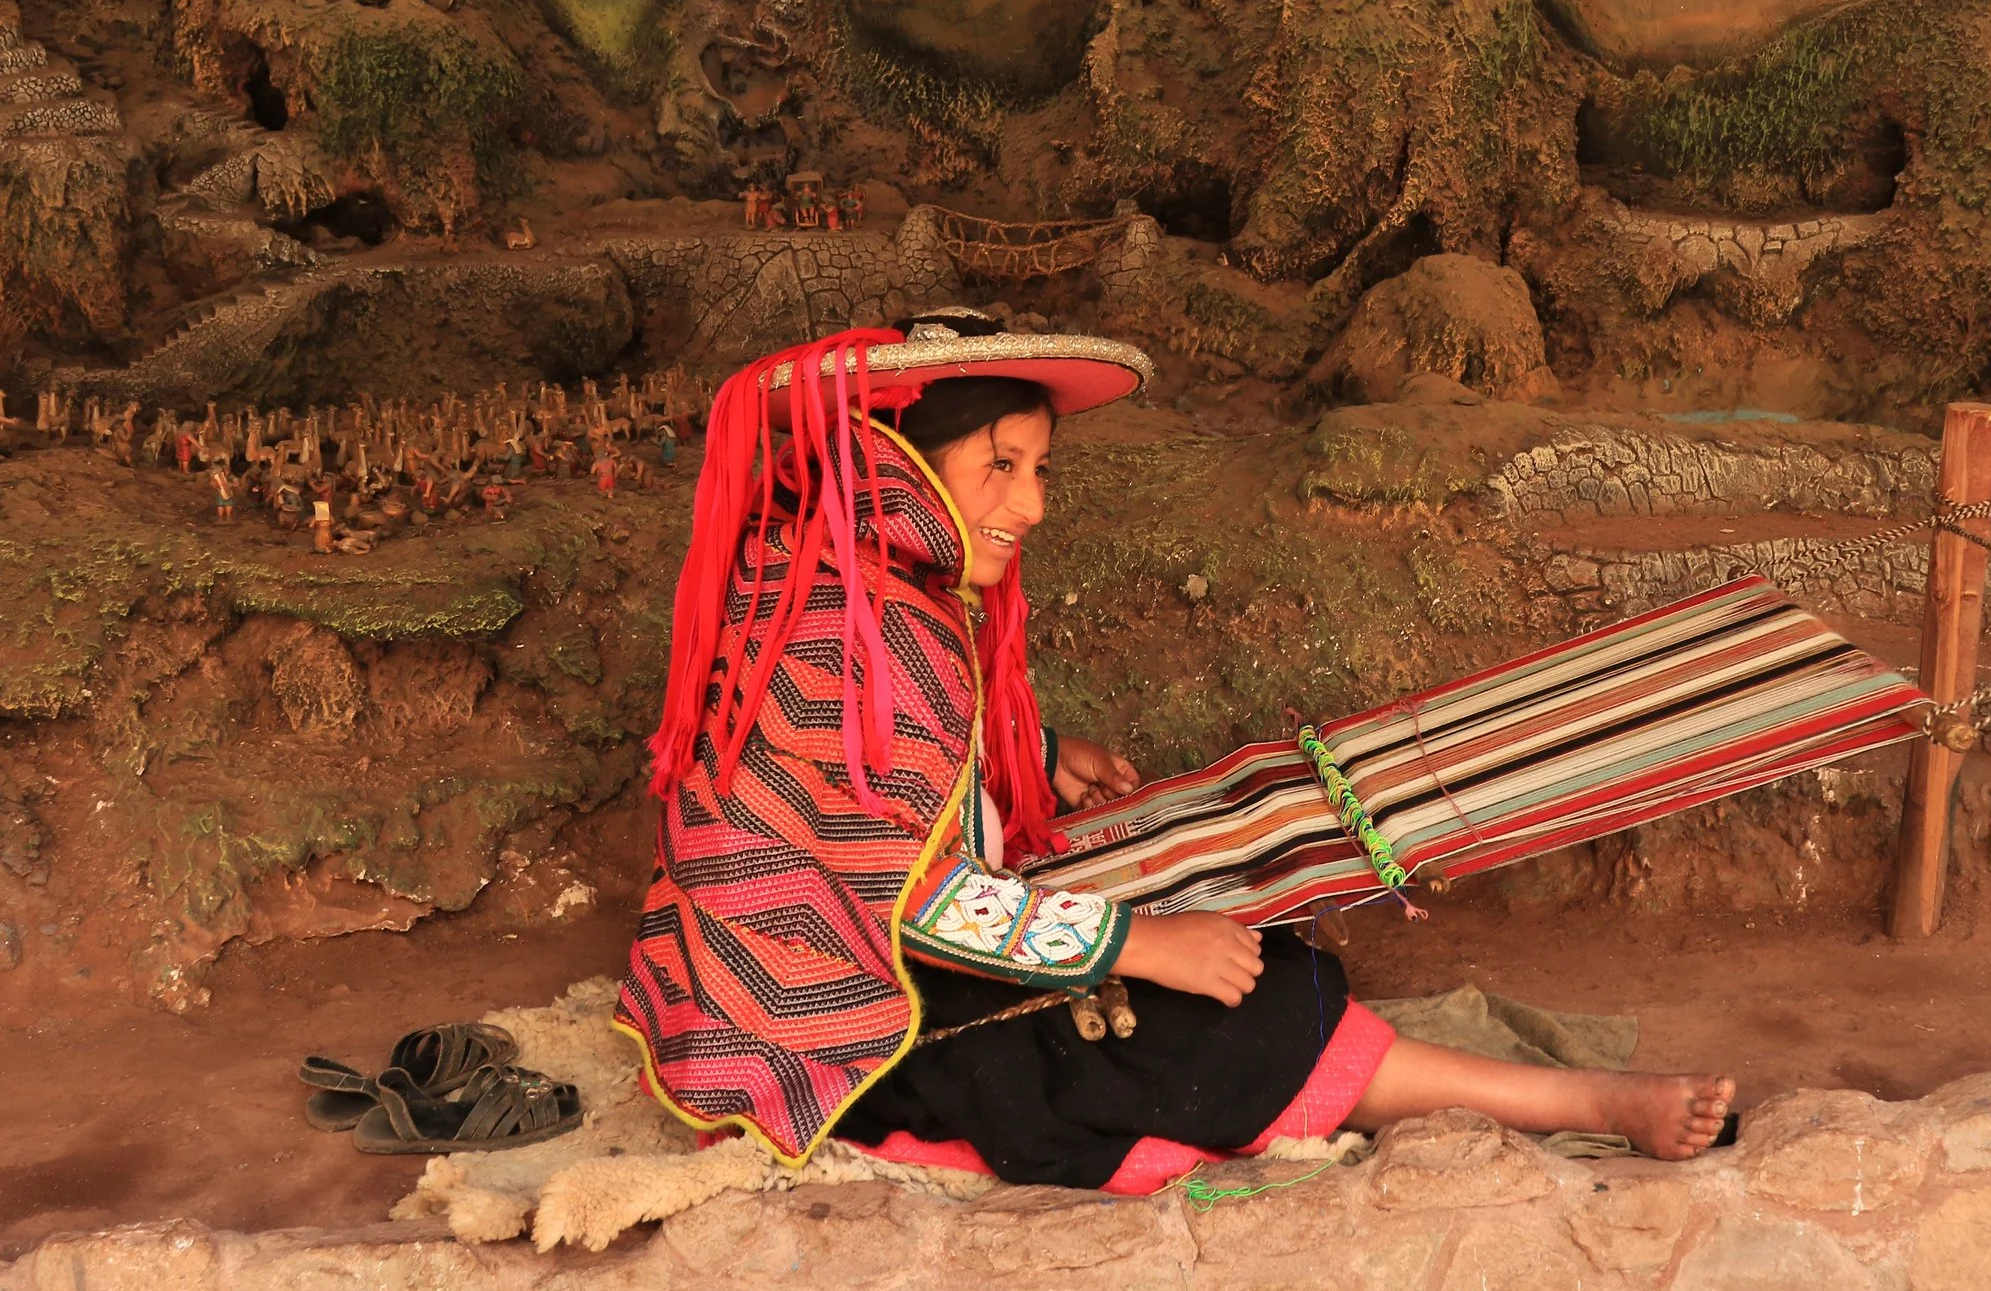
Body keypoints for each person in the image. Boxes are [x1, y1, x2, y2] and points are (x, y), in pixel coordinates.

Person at [615, 316, 1733, 1192]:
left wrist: (1036, 755)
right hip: (828, 1034)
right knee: (1209, 1020)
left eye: (1040, 468)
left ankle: (1552, 1092)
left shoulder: (831, 577)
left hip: (781, 981)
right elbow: (913, 899)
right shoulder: (857, 624)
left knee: (1233, 956)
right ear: (896, 460)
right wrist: (1141, 944)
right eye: (1000, 464)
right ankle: (1590, 1100)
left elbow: (869, 783)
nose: (1031, 505)